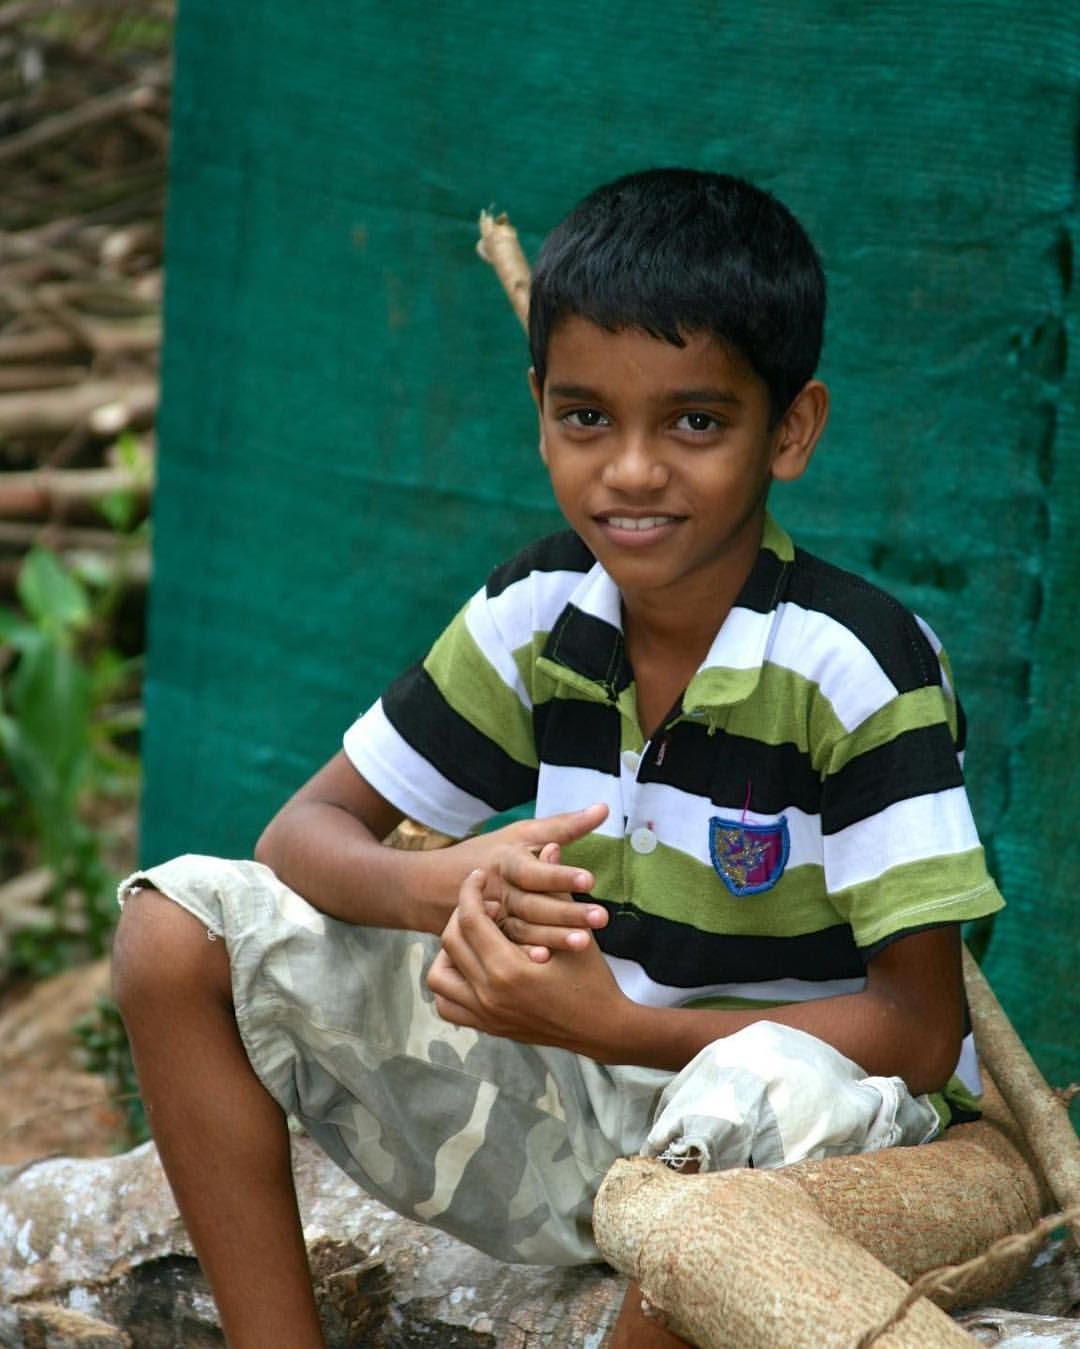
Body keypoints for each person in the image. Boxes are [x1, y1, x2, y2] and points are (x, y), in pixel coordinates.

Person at [112, 168, 1004, 1348]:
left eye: (695, 420)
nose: (632, 470)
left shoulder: (857, 665)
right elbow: (302, 837)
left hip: (810, 1142)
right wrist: (444, 883)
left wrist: (614, 1023)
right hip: (582, 1099)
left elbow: (919, 1032)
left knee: (755, 1096)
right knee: (175, 929)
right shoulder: (540, 613)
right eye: (588, 416)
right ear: (539, 409)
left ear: (790, 428)